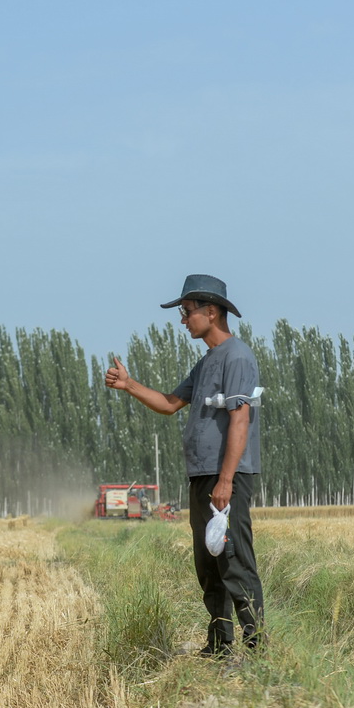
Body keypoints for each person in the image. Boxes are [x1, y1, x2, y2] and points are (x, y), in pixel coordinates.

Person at [104, 274, 264, 658]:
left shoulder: (237, 356)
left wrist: (226, 481)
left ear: (212, 312)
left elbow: (239, 421)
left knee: (234, 559)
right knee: (209, 563)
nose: (183, 320)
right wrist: (129, 385)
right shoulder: (207, 361)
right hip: (202, 475)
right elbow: (170, 403)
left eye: (187, 312)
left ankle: (258, 649)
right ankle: (220, 645)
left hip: (228, 477)